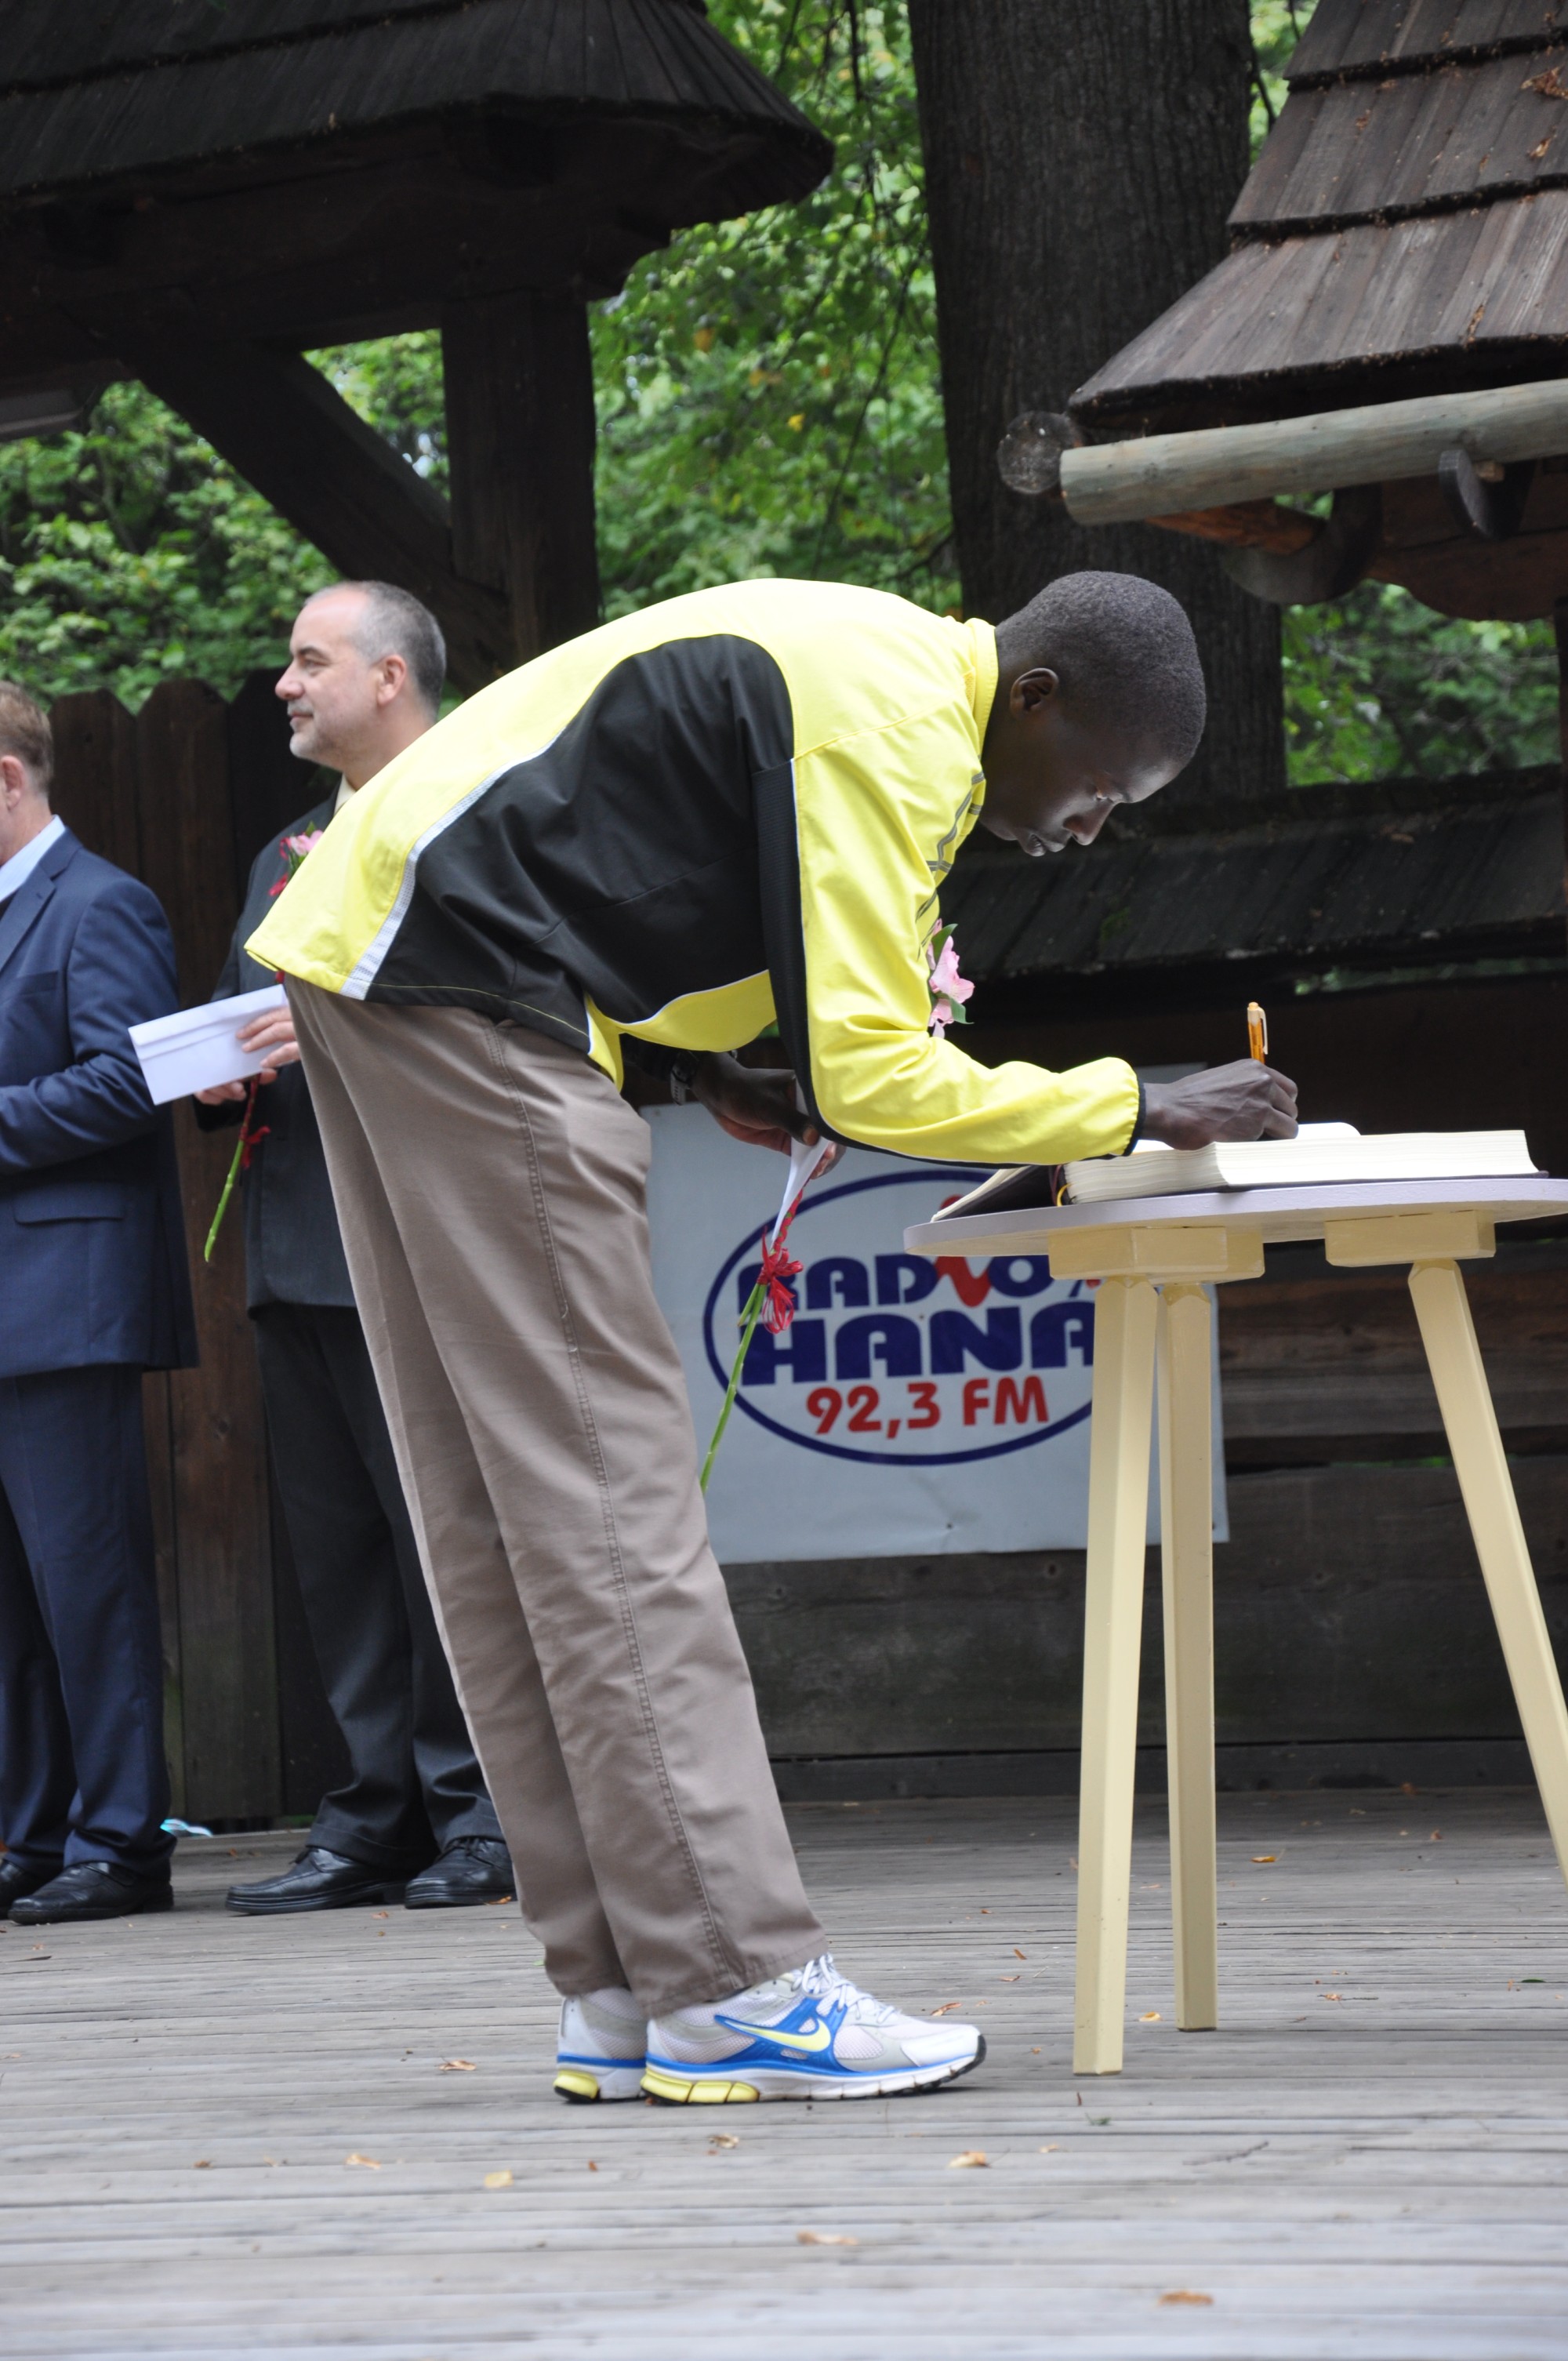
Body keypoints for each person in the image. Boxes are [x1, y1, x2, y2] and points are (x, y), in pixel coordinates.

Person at [246, 570, 1298, 2102]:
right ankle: (733, 1984)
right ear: (1036, 698)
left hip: (388, 959)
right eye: (1099, 791)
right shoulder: (897, 726)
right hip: (463, 978)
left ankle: (623, 1984)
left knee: (500, 1514)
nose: (1088, 831)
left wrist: (712, 1063)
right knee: (614, 1508)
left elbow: (624, 852)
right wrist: (1137, 1100)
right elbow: (872, 1076)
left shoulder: (869, 666)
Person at [198, 583, 511, 1914]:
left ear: (389, 676)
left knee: (447, 1539)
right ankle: (374, 1814)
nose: (285, 682)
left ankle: (484, 1812)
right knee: (340, 1557)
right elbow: (245, 1013)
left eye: (308, 659)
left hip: (422, 1235)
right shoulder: (286, 853)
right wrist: (222, 1069)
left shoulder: (480, 810)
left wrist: (326, 1025)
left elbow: (508, 1012)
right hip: (295, 1241)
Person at [0, 682, 198, 1927]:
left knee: (88, 1589)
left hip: (63, 1302)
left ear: (7, 778)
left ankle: (122, 1845)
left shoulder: (102, 903)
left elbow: (130, 1081)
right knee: (12, 1608)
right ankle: (31, 1837)